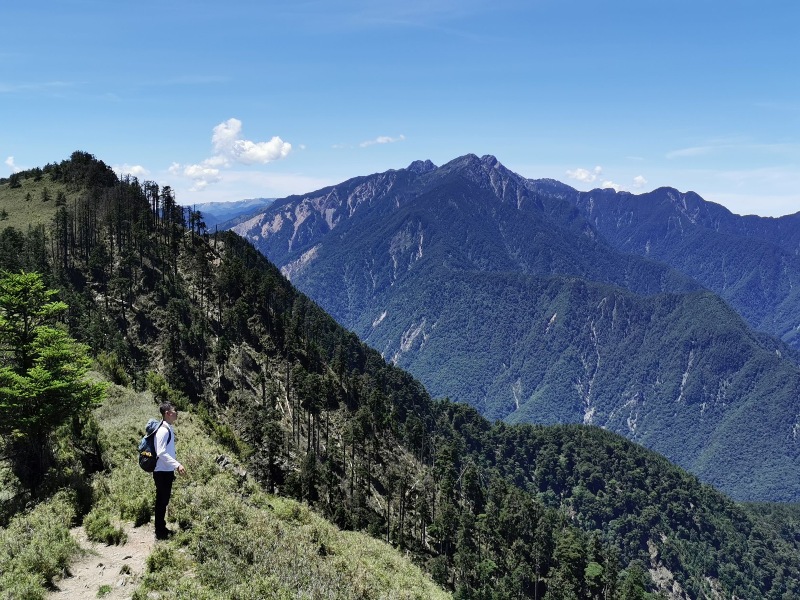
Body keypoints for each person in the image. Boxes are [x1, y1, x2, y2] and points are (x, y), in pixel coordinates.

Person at [153, 401, 186, 540]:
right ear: (167, 413)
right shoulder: (163, 430)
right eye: (174, 411)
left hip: (165, 470)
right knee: (161, 500)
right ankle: (160, 531)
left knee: (163, 500)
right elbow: (160, 452)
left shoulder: (167, 428)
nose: (176, 413)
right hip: (162, 471)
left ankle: (161, 528)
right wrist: (177, 464)